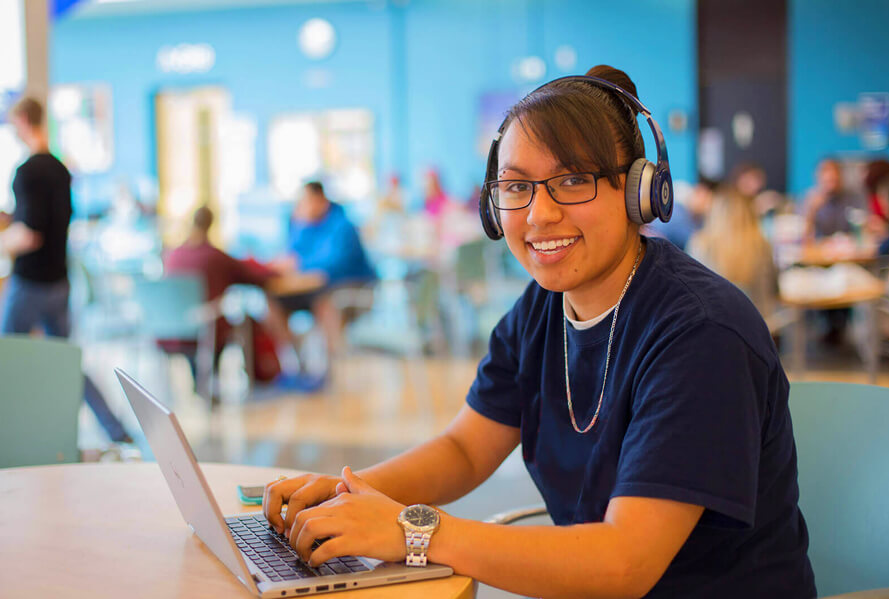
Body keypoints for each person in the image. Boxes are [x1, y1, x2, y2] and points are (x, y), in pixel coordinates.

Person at [262, 66, 815, 598]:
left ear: (638, 191)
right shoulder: (541, 308)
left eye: (573, 180)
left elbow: (625, 562)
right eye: (516, 187)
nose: (539, 214)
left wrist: (416, 531)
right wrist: (343, 493)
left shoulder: (700, 334)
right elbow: (463, 450)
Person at [0, 96, 133, 444]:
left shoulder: (27, 171)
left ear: (23, 121)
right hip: (59, 281)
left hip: (30, 283)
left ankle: (8, 436)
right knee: (67, 361)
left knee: (3, 359)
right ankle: (115, 430)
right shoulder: (61, 168)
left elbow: (30, 234)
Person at [162, 206, 284, 388]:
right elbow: (257, 277)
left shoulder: (172, 256)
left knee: (212, 316)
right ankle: (260, 380)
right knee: (247, 322)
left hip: (170, 329)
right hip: (208, 328)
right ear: (211, 225)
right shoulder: (216, 257)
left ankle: (205, 382)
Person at [277, 181, 375, 357]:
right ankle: (295, 361)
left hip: (352, 288)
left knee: (325, 304)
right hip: (315, 289)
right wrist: (297, 225)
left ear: (321, 200)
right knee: (274, 303)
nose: (302, 206)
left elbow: (332, 264)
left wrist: (300, 265)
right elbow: (291, 256)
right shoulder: (304, 225)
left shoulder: (342, 225)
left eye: (306, 201)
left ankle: (334, 365)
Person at [687, 188, 779, 322]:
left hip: (711, 331)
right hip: (758, 330)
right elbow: (774, 288)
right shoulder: (762, 245)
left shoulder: (698, 245)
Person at [802, 157, 860, 241]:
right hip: (819, 249)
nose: (831, 186)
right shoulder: (810, 198)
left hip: (848, 247)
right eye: (828, 181)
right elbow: (804, 237)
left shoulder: (852, 197)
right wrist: (812, 211)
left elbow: (861, 226)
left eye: (834, 180)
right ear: (819, 178)